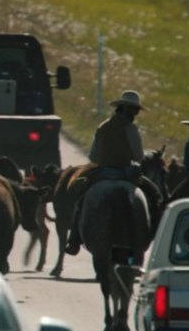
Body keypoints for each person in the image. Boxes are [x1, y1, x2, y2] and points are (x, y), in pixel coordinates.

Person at [65, 90, 156, 256]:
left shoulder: (103, 127)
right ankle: (151, 233)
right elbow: (138, 156)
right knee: (153, 195)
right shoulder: (130, 128)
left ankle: (74, 240)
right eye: (134, 110)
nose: (135, 114)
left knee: (81, 201)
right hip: (126, 173)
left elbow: (94, 156)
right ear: (127, 109)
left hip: (103, 173)